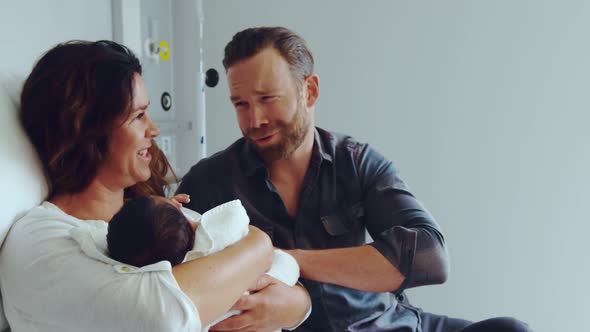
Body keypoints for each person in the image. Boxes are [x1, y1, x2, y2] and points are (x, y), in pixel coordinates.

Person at [176, 27, 533, 332]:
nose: (254, 120)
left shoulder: (356, 162)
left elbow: (430, 257)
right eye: (240, 104)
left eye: (267, 99)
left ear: (310, 91)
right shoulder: (211, 182)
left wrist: (284, 259)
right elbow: (170, 290)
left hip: (390, 323)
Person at [0, 40, 311, 332]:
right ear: (87, 131)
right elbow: (165, 316)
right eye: (138, 116)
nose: (154, 128)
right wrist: (258, 245)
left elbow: (275, 279)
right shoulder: (40, 242)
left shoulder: (153, 212)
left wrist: (297, 306)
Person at [103, 195, 300, 331]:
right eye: (173, 207)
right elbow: (283, 262)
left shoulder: (151, 252)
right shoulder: (213, 240)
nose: (180, 206)